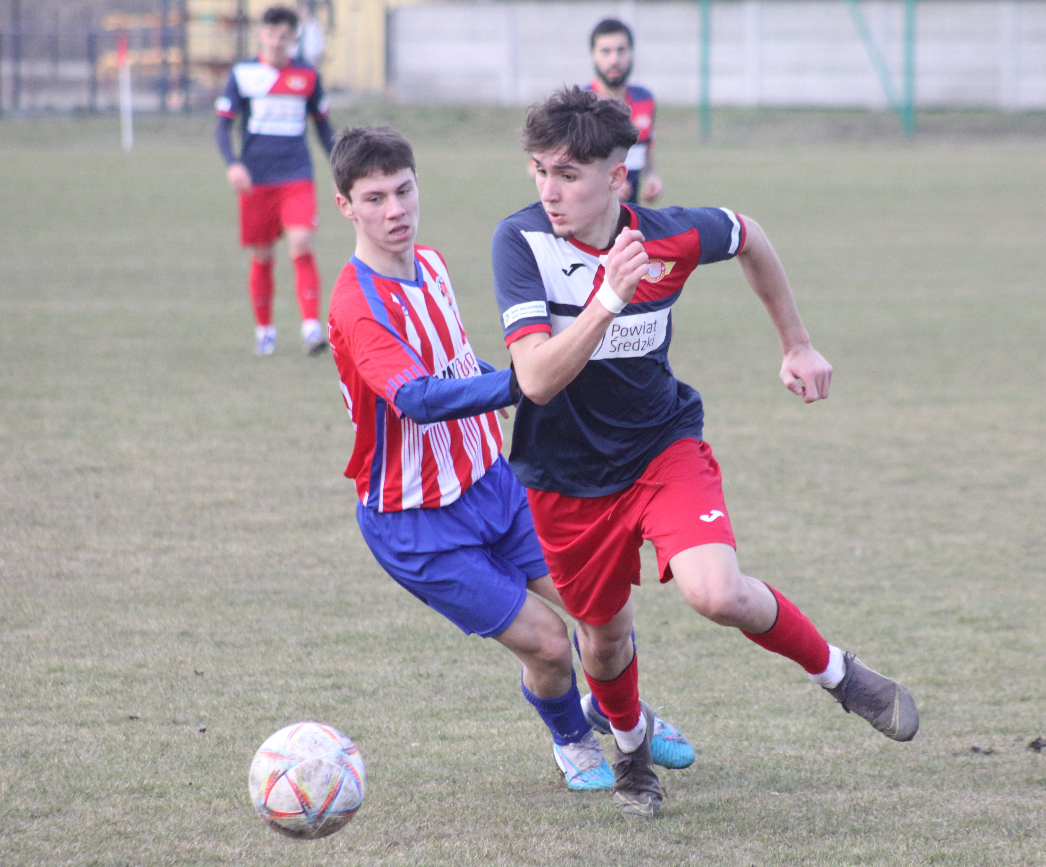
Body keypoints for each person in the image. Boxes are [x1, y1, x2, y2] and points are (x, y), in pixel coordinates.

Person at [491, 88, 919, 819]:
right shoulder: (521, 242)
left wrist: (796, 341)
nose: (549, 191)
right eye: (539, 171)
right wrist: (609, 298)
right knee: (603, 640)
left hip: (662, 448)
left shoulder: (671, 235)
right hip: (563, 479)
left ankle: (842, 675)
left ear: (616, 177)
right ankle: (630, 752)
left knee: (717, 592)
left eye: (567, 174)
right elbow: (533, 378)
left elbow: (748, 233)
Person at [324, 125, 694, 793]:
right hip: (418, 523)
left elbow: (460, 365)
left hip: (495, 483)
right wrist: (527, 380)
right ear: (345, 207)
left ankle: (623, 712)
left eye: (404, 190)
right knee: (551, 644)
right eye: (374, 198)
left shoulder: (430, 265)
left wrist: (526, 376)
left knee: (602, 611)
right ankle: (573, 736)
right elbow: (420, 398)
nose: (396, 210)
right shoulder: (357, 304)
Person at [216, 5, 335, 357]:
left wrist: (341, 170)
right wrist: (233, 164)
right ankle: (265, 331)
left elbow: (324, 128)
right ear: (260, 35)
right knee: (263, 256)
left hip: (297, 175)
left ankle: (312, 329)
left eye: (285, 36)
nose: (277, 42)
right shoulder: (243, 74)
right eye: (271, 34)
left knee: (302, 243)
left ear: (294, 38)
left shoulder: (308, 76)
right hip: (256, 180)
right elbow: (222, 126)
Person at [587, 18, 660, 205]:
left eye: (621, 50)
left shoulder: (645, 99)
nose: (614, 59)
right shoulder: (579, 103)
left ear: (631, 53)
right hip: (590, 220)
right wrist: (604, 185)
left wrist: (651, 176)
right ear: (593, 55)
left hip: (631, 215)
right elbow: (543, 168)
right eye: (606, 51)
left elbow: (645, 146)